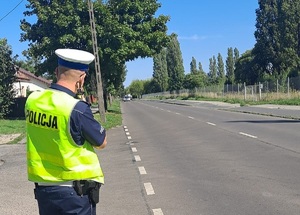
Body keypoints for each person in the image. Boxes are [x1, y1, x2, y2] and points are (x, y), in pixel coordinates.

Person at [25, 48, 107, 215]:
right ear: (81, 79)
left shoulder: (32, 101)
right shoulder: (76, 108)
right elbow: (101, 142)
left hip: (44, 191)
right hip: (75, 194)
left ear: (56, 72)